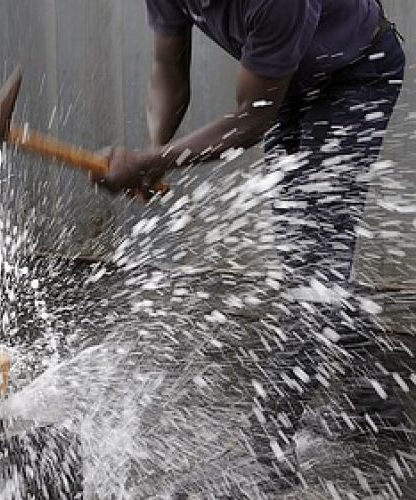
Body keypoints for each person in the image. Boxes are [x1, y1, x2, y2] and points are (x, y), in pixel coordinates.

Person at [97, 0, 406, 489]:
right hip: (291, 85)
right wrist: (153, 154)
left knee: (314, 273)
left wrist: (154, 160)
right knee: (305, 260)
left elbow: (252, 120)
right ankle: (380, 401)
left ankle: (270, 454)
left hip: (356, 76)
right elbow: (166, 67)